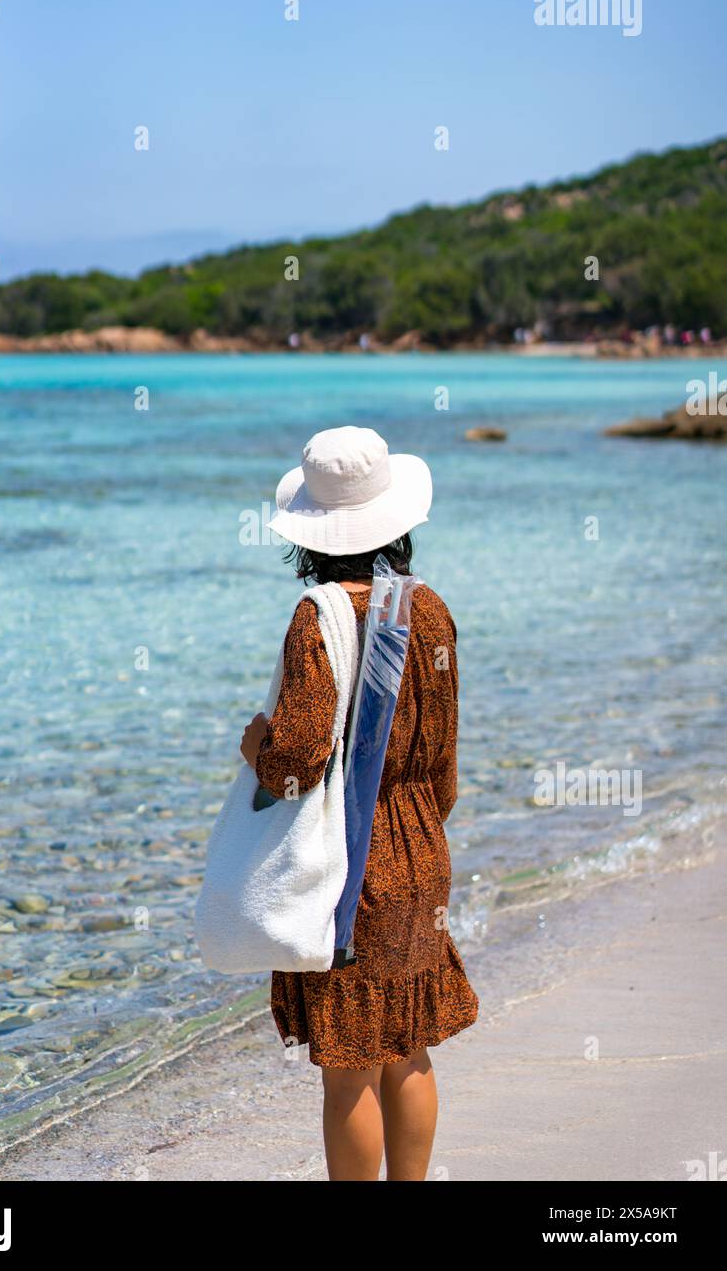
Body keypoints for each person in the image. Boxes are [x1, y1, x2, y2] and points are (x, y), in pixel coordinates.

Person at [239, 426, 478, 1181]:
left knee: (348, 1064)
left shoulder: (319, 618)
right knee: (406, 1047)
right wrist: (418, 833)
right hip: (419, 850)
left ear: (310, 536)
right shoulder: (430, 610)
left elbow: (295, 765)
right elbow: (441, 762)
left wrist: (255, 749)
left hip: (351, 860)